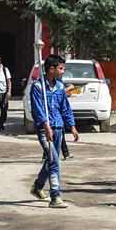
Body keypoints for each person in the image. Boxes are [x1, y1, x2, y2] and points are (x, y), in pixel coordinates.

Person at [28, 54, 79, 208]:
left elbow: (65, 107)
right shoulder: (38, 87)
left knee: (51, 161)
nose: (63, 71)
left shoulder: (59, 87)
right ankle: (55, 196)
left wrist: (72, 126)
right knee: (54, 161)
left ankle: (37, 187)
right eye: (61, 68)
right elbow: (38, 109)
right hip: (45, 130)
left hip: (58, 128)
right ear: (52, 69)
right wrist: (46, 127)